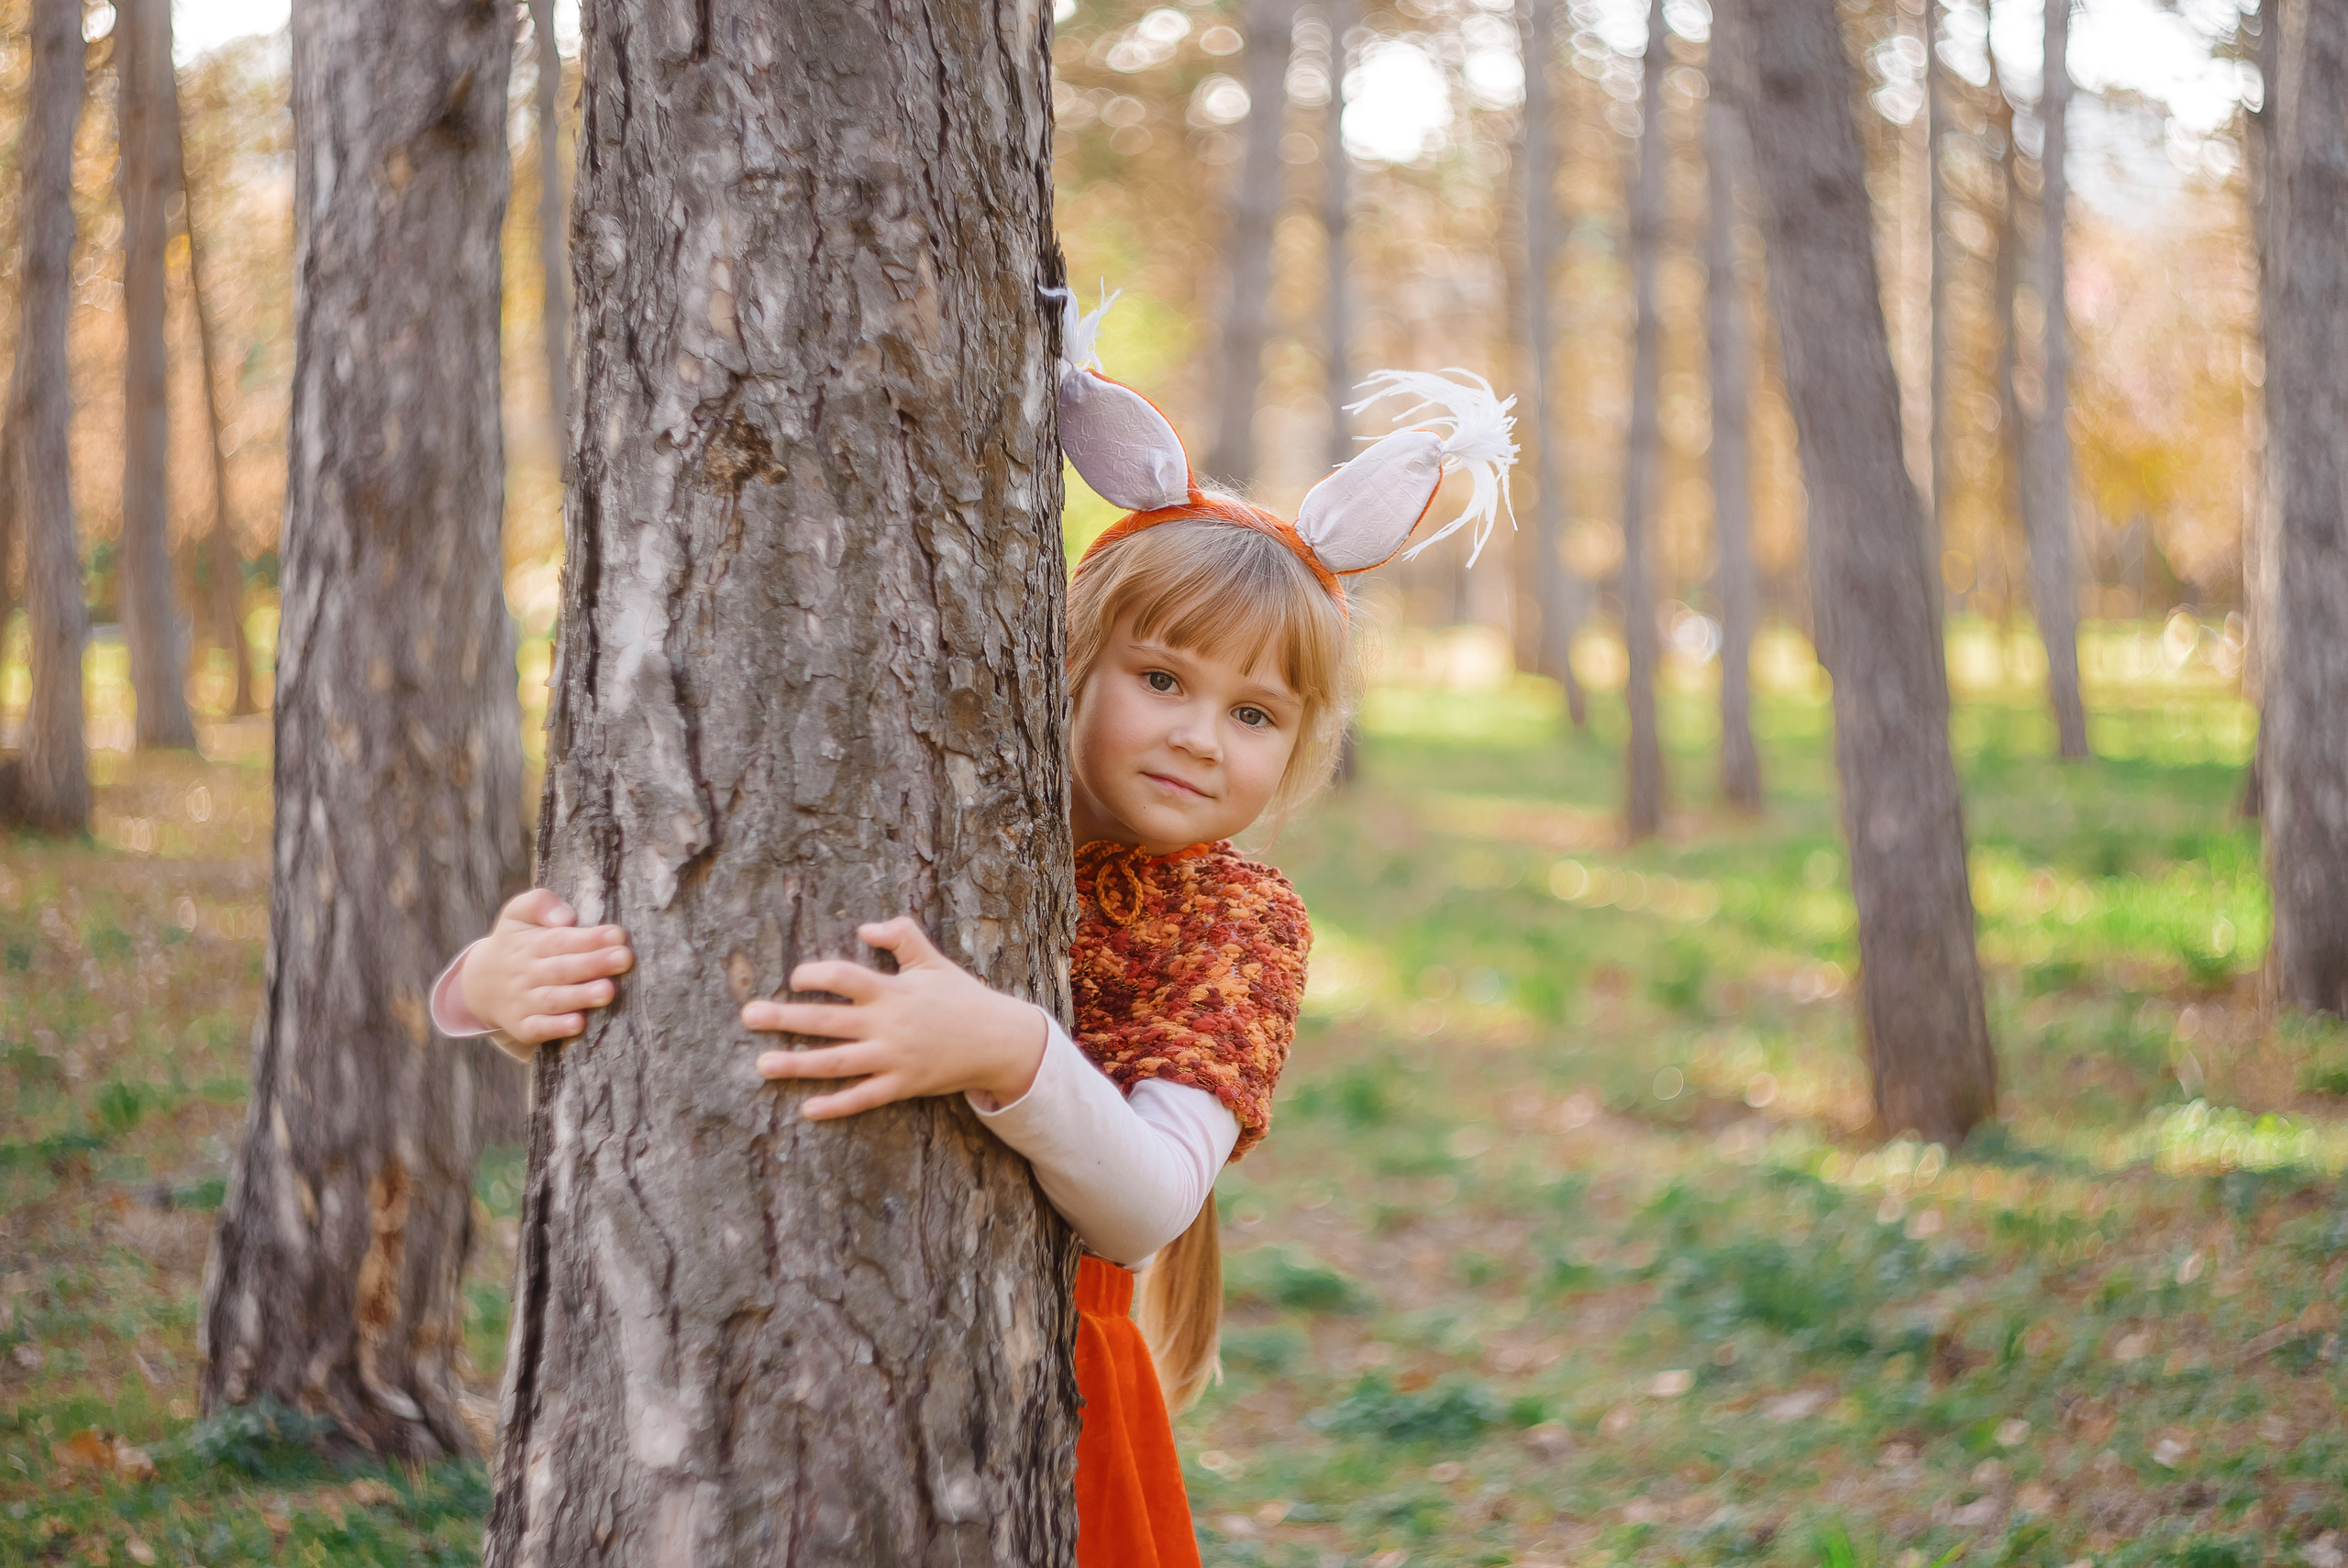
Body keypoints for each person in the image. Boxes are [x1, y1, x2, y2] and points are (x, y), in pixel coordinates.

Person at [428, 290, 1517, 1566]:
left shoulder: (1239, 922)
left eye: (1254, 713)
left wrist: (1011, 1050)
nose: (1197, 734)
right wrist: (489, 988)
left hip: (1058, 1395)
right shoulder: (966, 805)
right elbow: (707, 991)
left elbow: (1149, 1202)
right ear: (1070, 655)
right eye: (1161, 678)